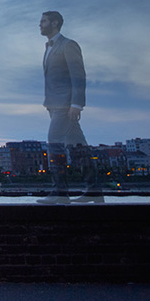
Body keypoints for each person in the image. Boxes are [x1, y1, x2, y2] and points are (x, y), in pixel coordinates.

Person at [36, 11, 101, 204]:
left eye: (44, 21)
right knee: (79, 147)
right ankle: (94, 190)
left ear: (55, 23)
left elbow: (78, 75)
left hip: (65, 105)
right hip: (54, 104)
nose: (40, 24)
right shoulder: (49, 47)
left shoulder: (68, 45)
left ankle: (60, 192)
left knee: (54, 143)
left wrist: (76, 103)